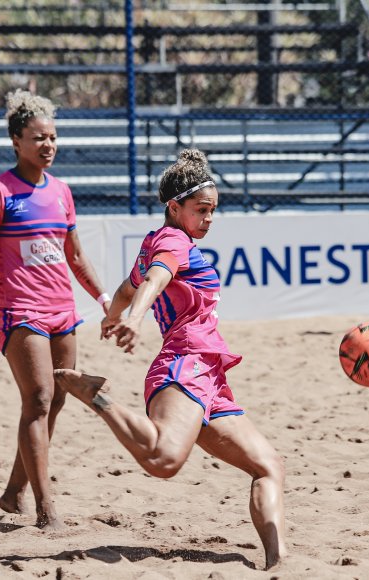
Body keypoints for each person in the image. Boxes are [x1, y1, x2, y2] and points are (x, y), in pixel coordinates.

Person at [54, 149, 287, 570]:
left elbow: (129, 285)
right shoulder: (173, 241)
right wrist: (136, 318)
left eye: (213, 210)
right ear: (174, 207)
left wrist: (114, 315)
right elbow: (157, 278)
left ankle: (277, 562)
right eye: (201, 209)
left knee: (268, 466)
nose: (209, 219)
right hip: (186, 362)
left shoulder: (156, 241)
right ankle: (99, 397)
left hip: (209, 372)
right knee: (164, 461)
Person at [0, 90, 111, 530]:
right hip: (18, 310)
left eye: (52, 137)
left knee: (58, 399)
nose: (47, 144)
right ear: (16, 141)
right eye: (37, 137)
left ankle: (13, 492)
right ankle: (46, 508)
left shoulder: (62, 192)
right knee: (39, 398)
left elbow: (76, 256)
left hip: (62, 310)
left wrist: (104, 301)